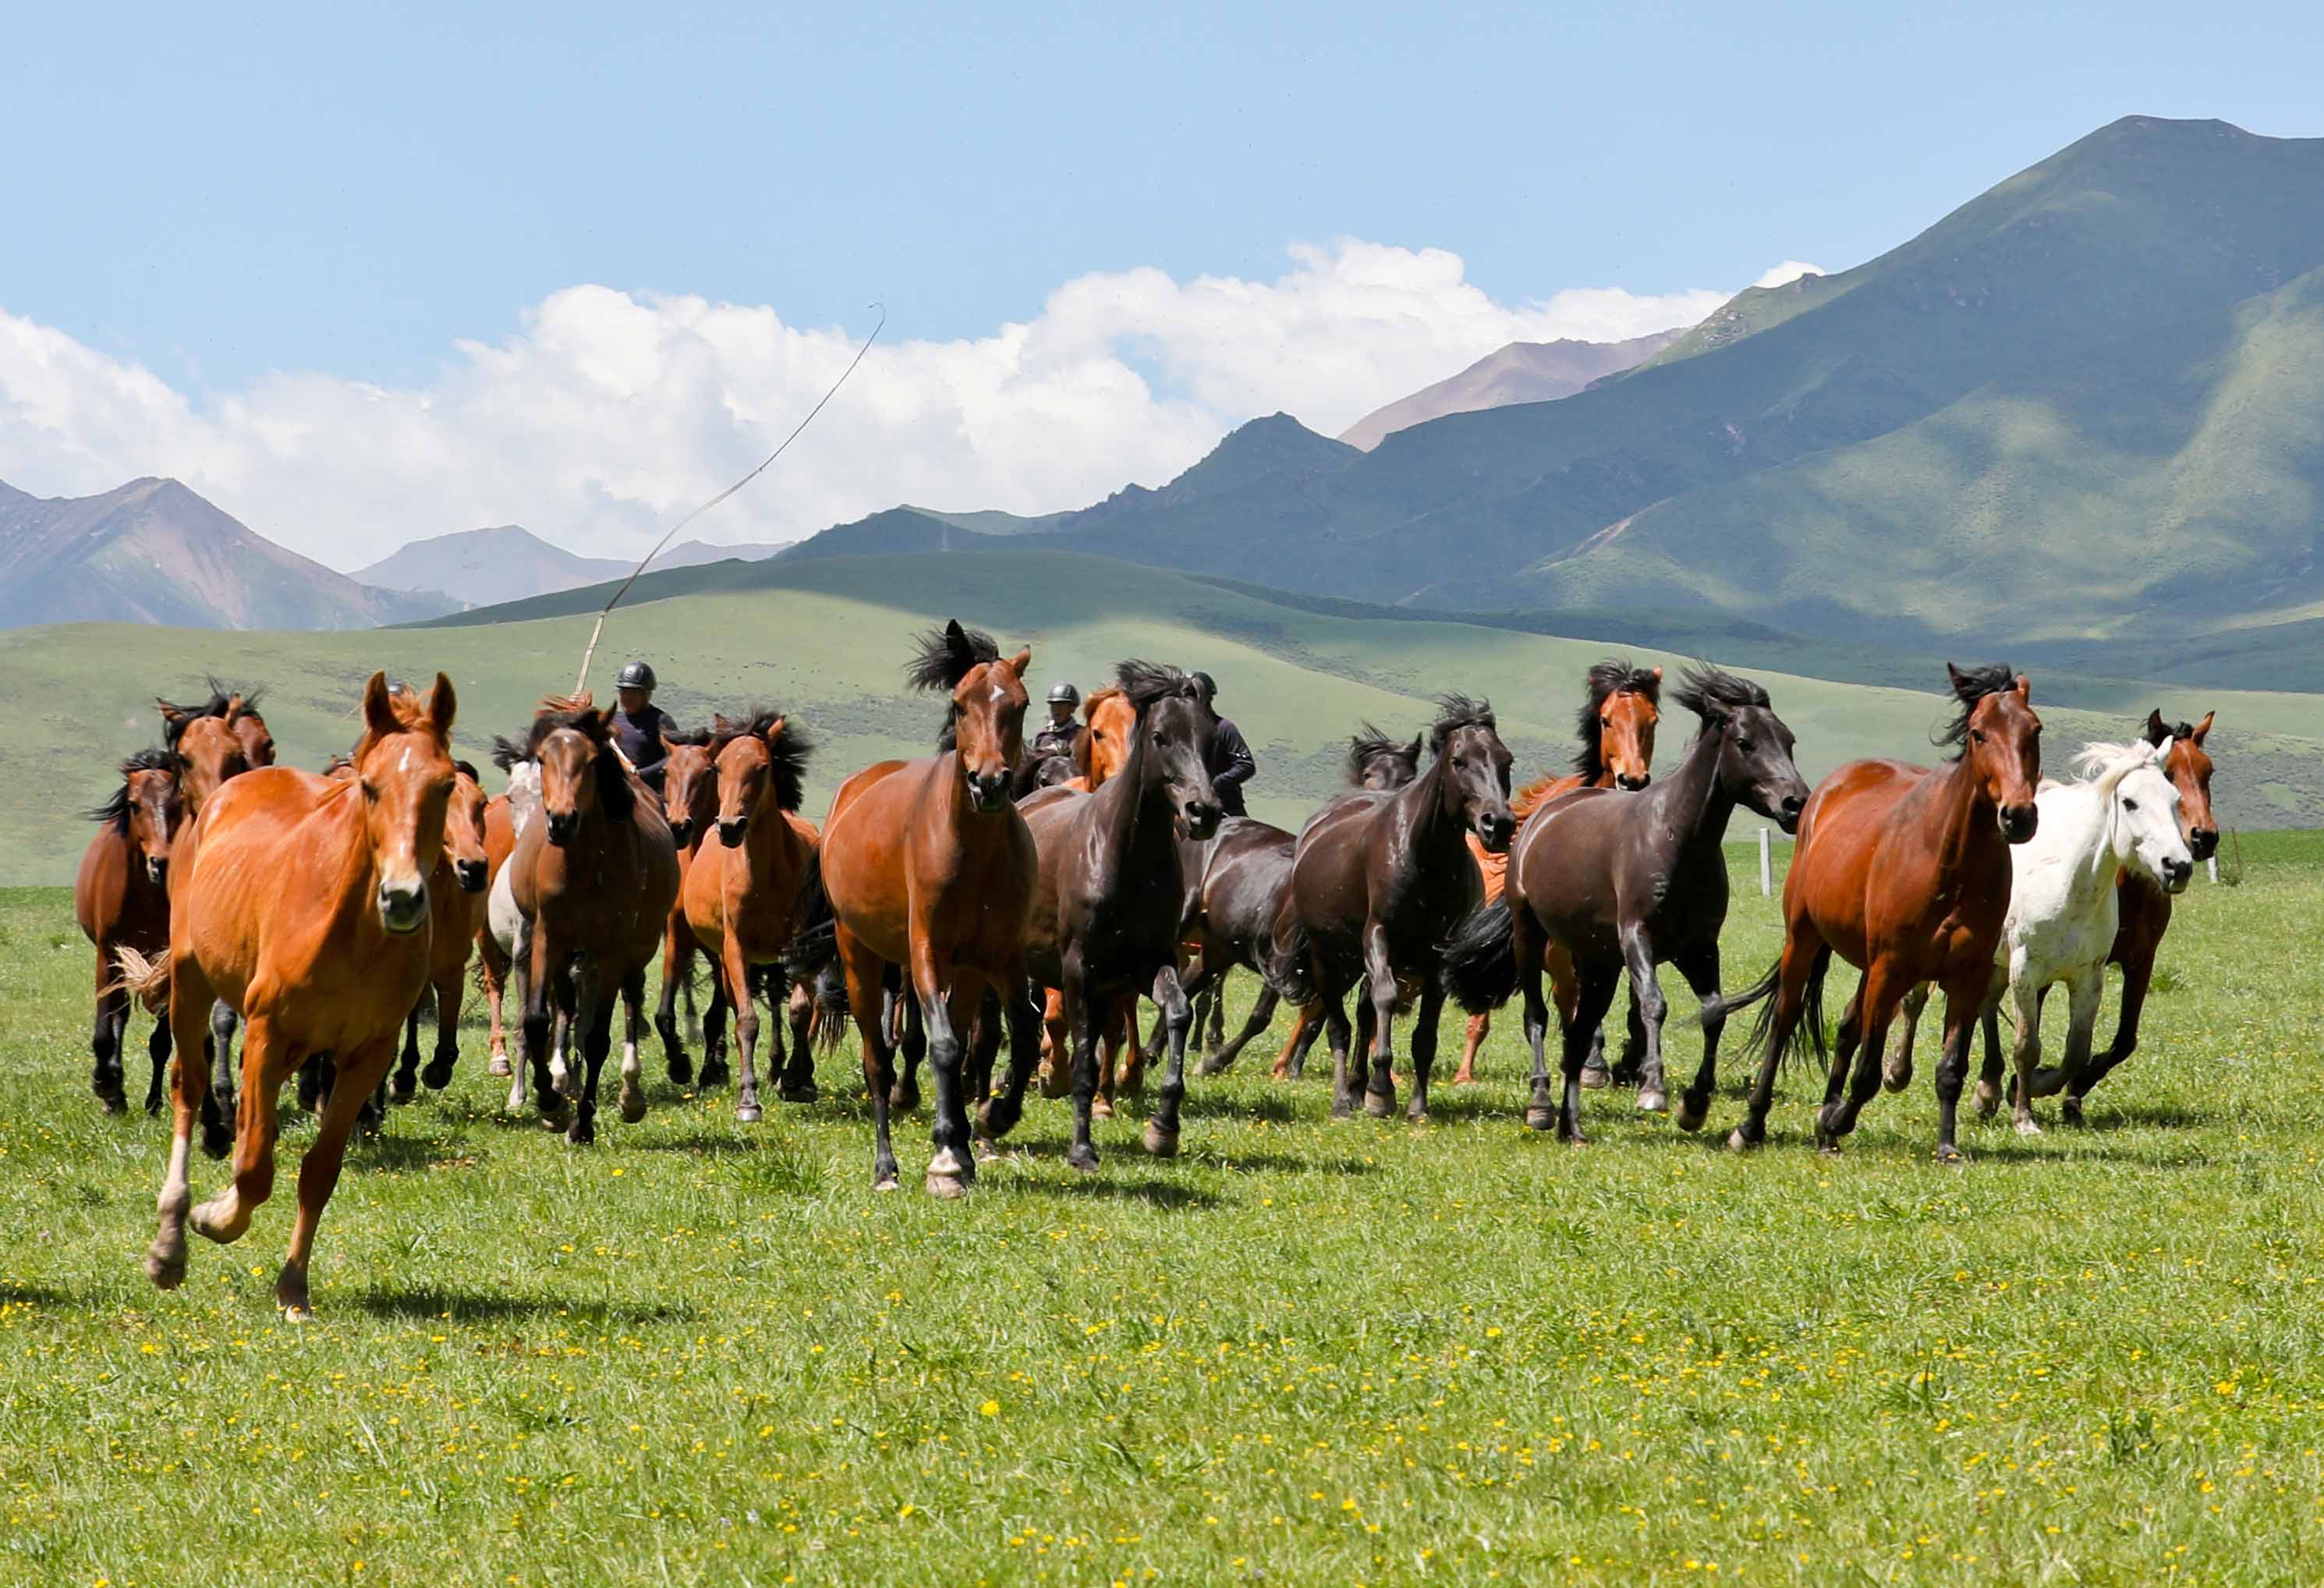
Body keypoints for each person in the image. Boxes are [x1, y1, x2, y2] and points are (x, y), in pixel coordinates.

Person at [610, 659, 679, 794]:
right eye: (623, 692)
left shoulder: (662, 721)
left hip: (649, 791)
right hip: (615, 787)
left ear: (647, 694)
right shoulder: (613, 719)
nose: (627, 698)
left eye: (633, 693)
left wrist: (641, 775)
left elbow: (673, 756)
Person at [1192, 671, 1256, 817]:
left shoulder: (1225, 728)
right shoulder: (1180, 735)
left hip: (1226, 808)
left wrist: (1215, 785)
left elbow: (1246, 765)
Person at [1030, 681, 1082, 761]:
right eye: (1053, 705)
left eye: (1061, 705)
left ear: (1072, 708)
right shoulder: (1042, 735)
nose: (1056, 709)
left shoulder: (1081, 735)